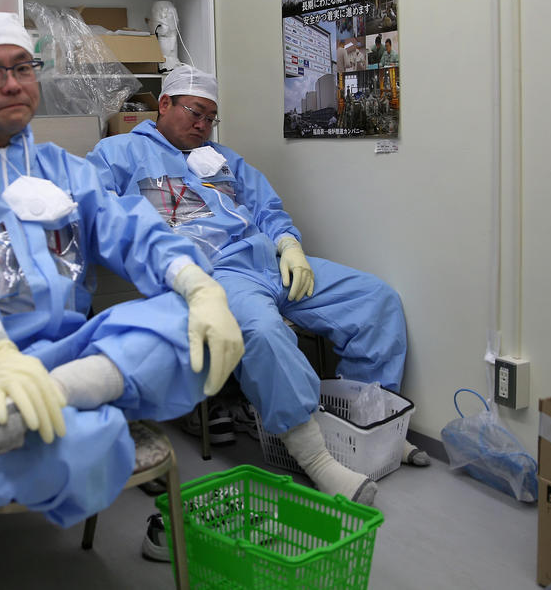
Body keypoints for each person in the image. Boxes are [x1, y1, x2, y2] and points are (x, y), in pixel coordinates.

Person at [0, 10, 244, 529]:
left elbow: (127, 226)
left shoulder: (59, 169)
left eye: (23, 67)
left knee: (191, 322)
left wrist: (195, 283)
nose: (13, 84)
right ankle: (63, 408)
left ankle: (61, 392)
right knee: (81, 443)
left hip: (68, 356)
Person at [88, 65, 428, 511]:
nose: (203, 124)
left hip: (266, 259)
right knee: (265, 332)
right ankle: (319, 458)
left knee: (374, 299)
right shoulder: (120, 153)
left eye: (211, 117)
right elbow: (94, 212)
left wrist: (290, 246)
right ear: (164, 104)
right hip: (212, 274)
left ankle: (374, 424)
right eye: (195, 112)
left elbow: (266, 206)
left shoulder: (224, 159)